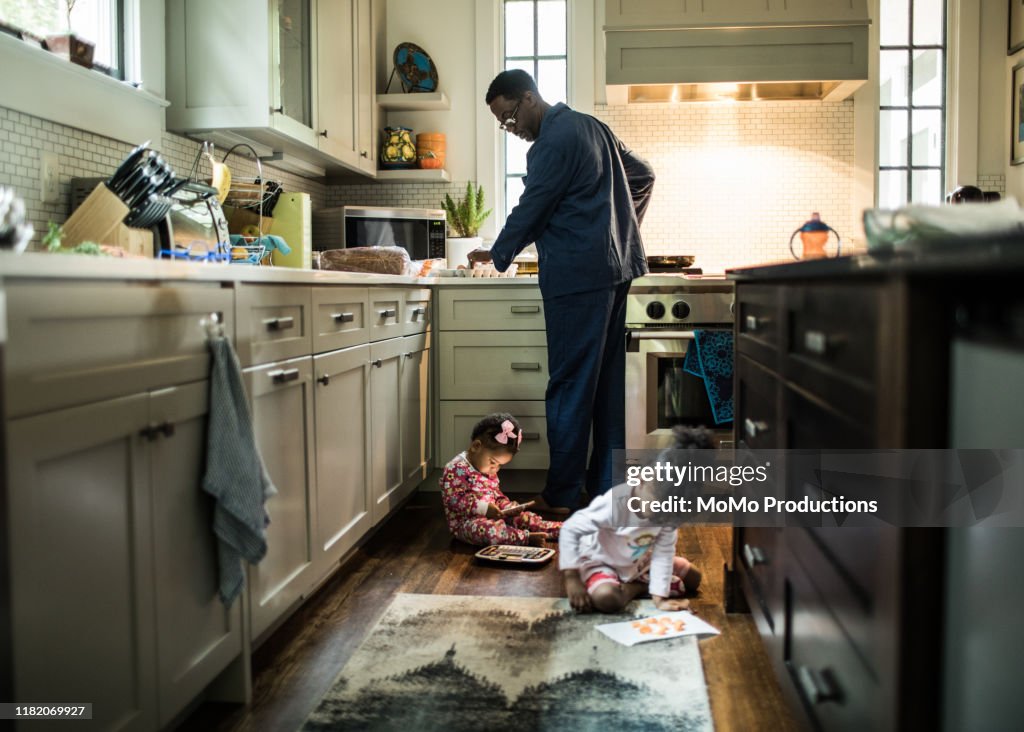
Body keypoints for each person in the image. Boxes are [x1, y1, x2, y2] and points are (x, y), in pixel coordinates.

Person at [484, 69, 655, 516]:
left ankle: (560, 497)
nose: (512, 129)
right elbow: (644, 176)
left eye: (509, 116)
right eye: (503, 124)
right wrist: (617, 225)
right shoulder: (592, 127)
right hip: (617, 271)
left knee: (568, 388)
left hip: (578, 278)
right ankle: (605, 495)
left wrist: (495, 256)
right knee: (605, 387)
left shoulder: (552, 143)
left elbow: (532, 207)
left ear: (528, 98)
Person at [559, 427, 709, 613]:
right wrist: (571, 577)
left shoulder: (667, 511)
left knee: (694, 578)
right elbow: (570, 529)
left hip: (638, 563)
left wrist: (659, 598)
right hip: (602, 562)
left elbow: (663, 551)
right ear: (641, 480)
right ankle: (640, 587)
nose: (660, 516)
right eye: (657, 507)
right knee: (607, 599)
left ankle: (642, 586)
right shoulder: (613, 504)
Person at [440, 412, 562, 547]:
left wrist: (508, 507)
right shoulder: (455, 468)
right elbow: (454, 500)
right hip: (468, 525)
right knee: (489, 531)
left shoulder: (487, 468)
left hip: (495, 516)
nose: (495, 469)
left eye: (499, 465)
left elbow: (496, 495)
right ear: (476, 446)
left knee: (526, 518)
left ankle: (560, 530)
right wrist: (484, 509)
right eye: (493, 462)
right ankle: (524, 538)